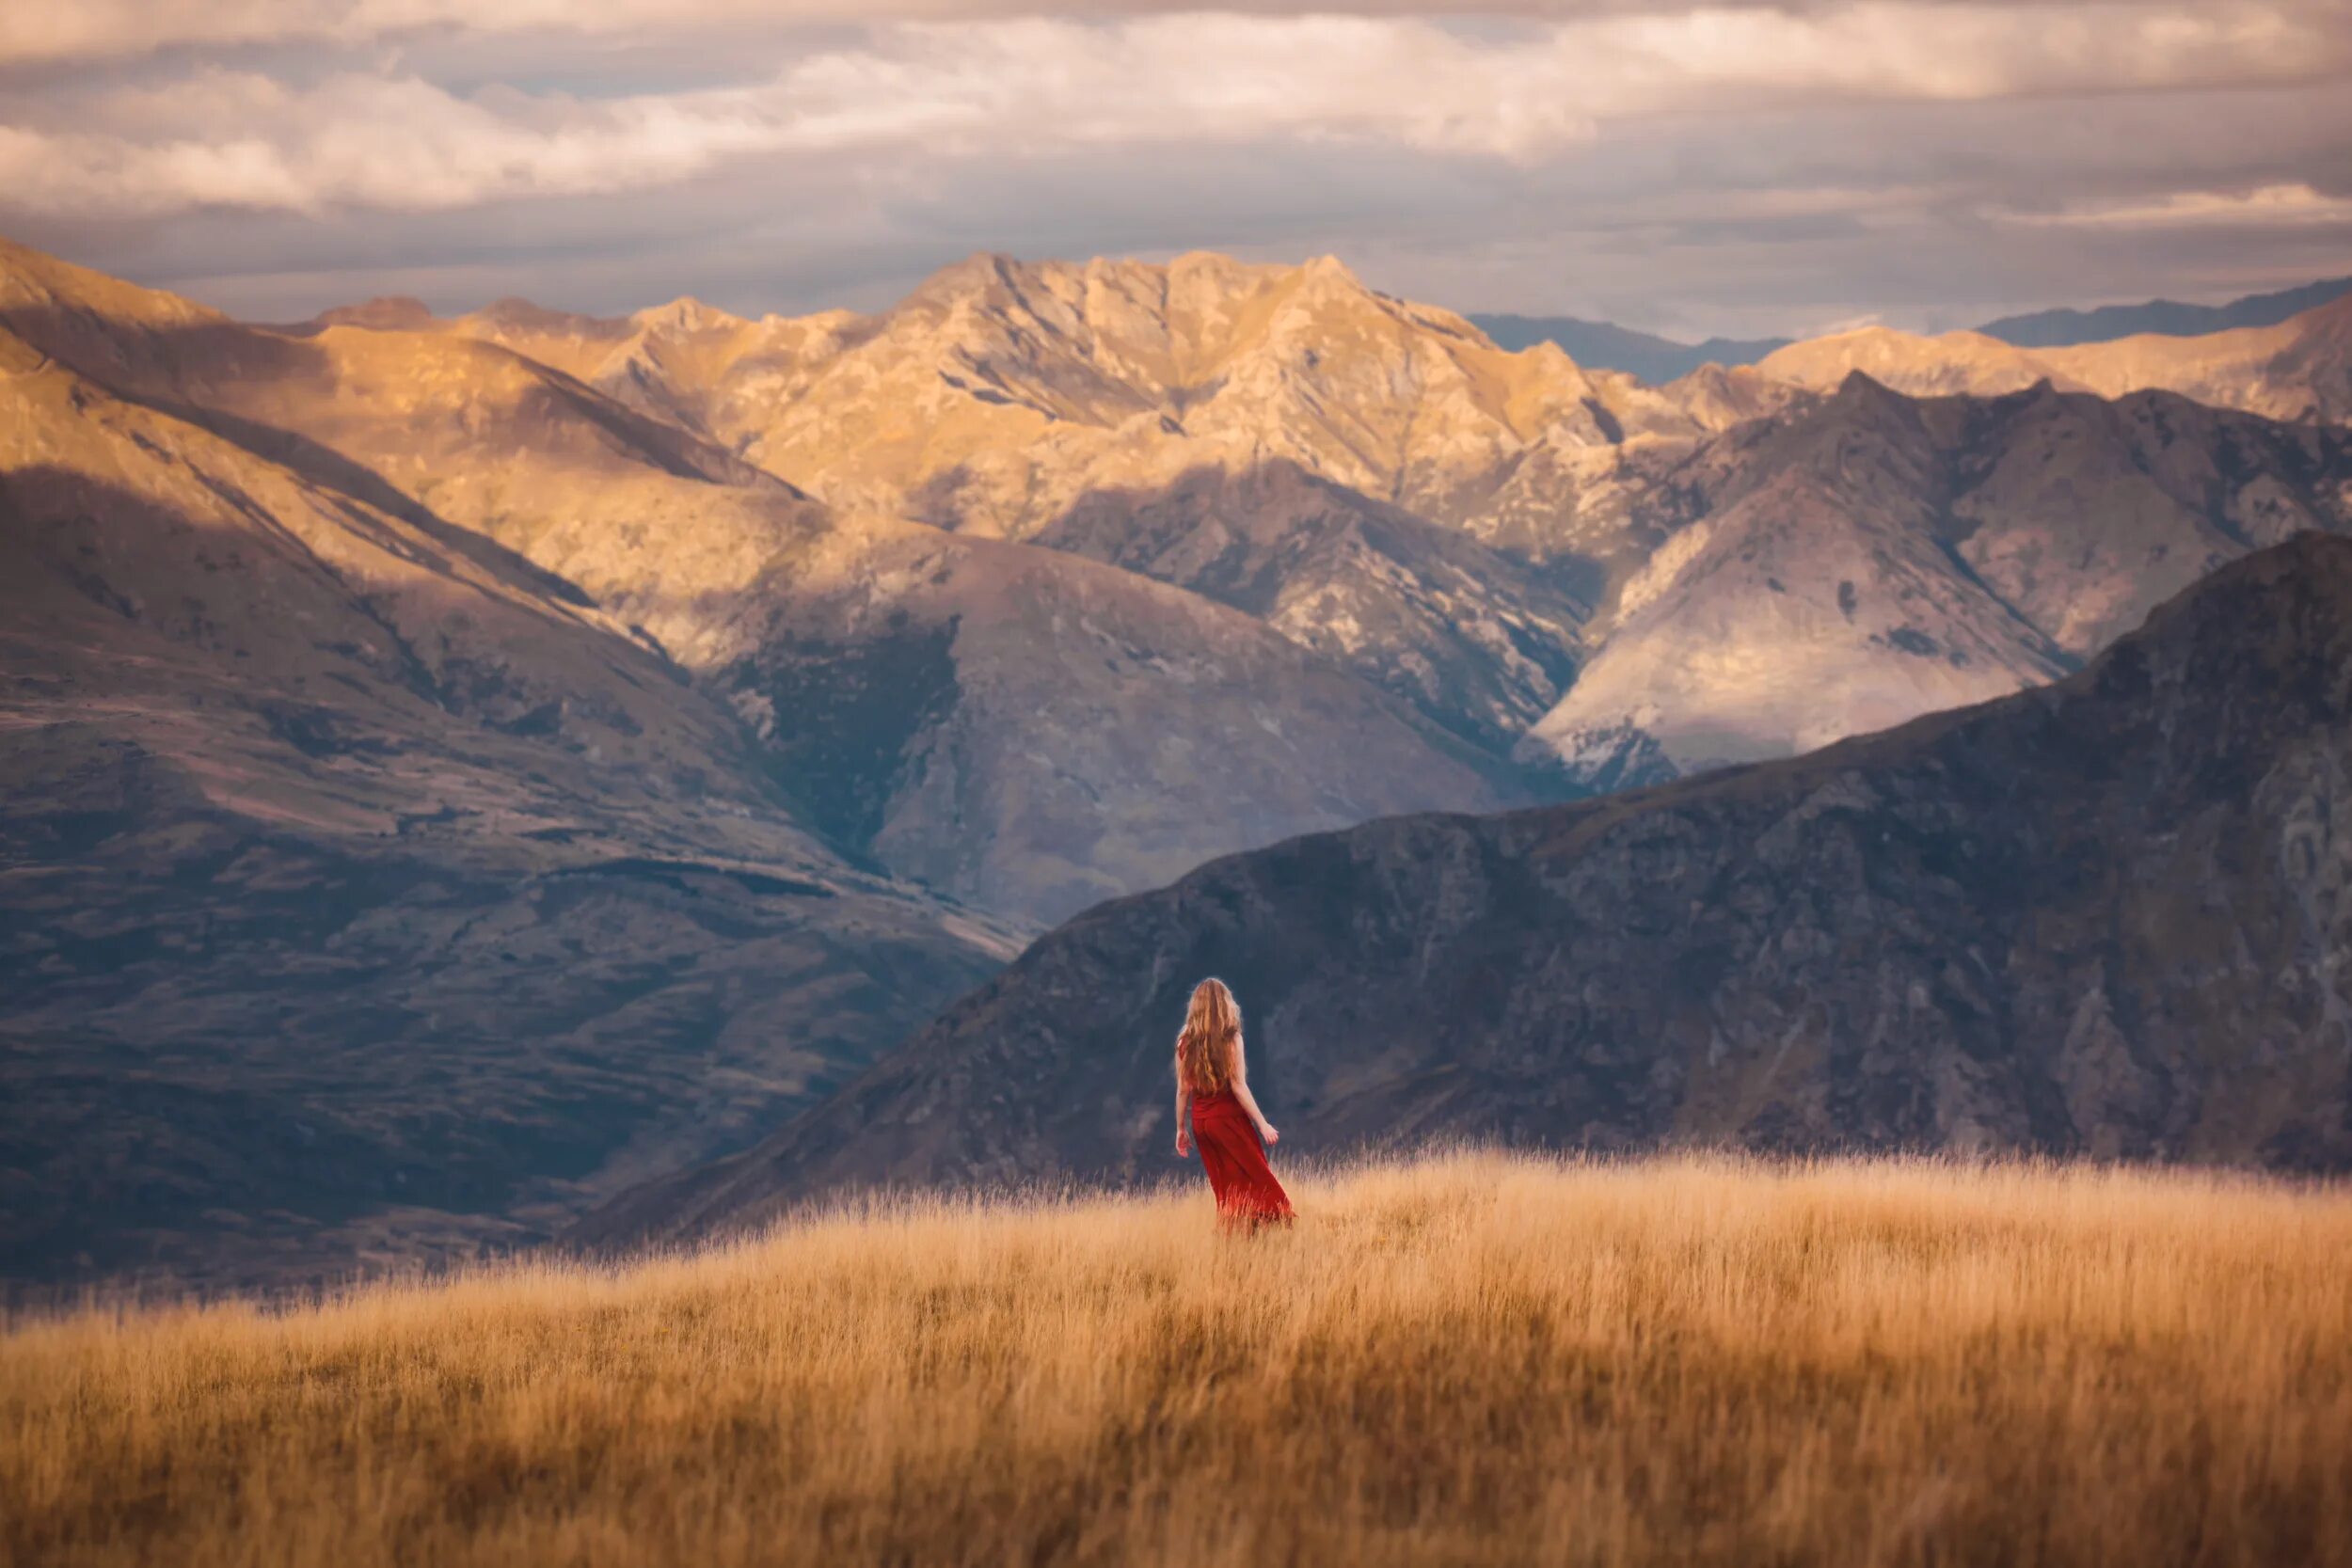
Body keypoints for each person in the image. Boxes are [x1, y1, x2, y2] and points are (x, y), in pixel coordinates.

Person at [1171, 977, 1295, 1229]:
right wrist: (1263, 1124)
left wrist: (1181, 1129)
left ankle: (1235, 1240)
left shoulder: (1184, 1041)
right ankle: (1271, 1235)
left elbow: (1183, 1090)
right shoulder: (1230, 1037)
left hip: (1202, 1125)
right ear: (1225, 1004)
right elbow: (1238, 1086)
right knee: (1261, 1183)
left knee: (1226, 1189)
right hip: (1228, 1121)